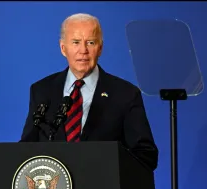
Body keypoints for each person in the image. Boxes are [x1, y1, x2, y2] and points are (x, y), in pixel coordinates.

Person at [20, 13, 158, 171]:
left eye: (90, 42)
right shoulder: (42, 90)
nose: (83, 50)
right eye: (76, 42)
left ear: (100, 48)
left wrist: (105, 168)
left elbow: (146, 155)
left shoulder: (125, 94)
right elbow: (26, 148)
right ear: (63, 48)